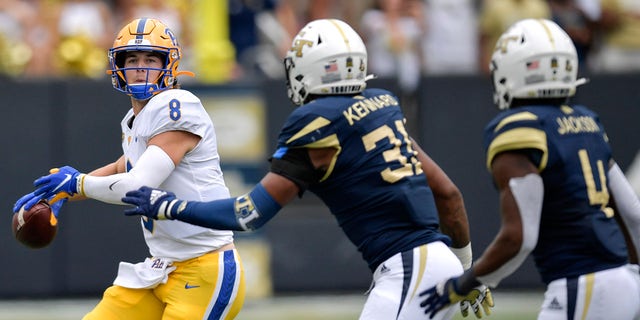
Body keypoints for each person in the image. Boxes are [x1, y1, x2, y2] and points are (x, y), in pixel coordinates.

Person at [121, 18, 493, 320]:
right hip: (437, 261)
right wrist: (465, 270)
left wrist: (170, 206)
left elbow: (248, 214)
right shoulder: (382, 107)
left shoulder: (315, 122)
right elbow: (449, 194)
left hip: (408, 268)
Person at [13, 18, 245, 319]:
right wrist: (59, 195)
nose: (140, 66)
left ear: (170, 65)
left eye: (150, 58)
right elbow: (122, 167)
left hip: (204, 271)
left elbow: (137, 185)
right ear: (118, 66)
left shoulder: (177, 104)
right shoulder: (135, 120)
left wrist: (76, 184)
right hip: (160, 268)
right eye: (132, 59)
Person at [420, 18, 640, 319]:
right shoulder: (587, 122)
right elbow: (633, 215)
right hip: (623, 281)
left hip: (582, 284)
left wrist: (465, 282)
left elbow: (520, 237)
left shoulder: (519, 128)